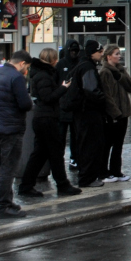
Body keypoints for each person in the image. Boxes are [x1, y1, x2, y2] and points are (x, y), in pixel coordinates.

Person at [20, 49, 82, 198]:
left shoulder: (41, 74)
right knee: (55, 152)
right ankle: (62, 184)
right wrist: (63, 88)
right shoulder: (44, 75)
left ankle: (26, 185)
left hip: (43, 117)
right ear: (53, 59)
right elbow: (48, 97)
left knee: (40, 154)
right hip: (46, 118)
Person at [0, 50, 33, 218]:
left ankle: (5, 200)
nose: (26, 70)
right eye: (26, 67)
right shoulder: (16, 77)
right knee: (8, 167)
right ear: (22, 64)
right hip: (11, 128)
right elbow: (25, 103)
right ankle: (3, 206)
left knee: (0, 165)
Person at [63, 39, 109, 188]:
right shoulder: (87, 67)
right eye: (99, 52)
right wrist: (104, 100)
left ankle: (87, 176)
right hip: (88, 112)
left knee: (86, 144)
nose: (101, 54)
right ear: (91, 53)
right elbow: (91, 90)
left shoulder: (81, 65)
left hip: (82, 112)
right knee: (90, 145)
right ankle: (87, 178)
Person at [98, 44, 131, 183]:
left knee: (119, 144)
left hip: (124, 112)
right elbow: (106, 95)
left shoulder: (120, 70)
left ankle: (116, 170)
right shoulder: (104, 72)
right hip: (113, 114)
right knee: (108, 143)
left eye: (119, 53)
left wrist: (120, 75)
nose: (119, 56)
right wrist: (115, 113)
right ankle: (104, 171)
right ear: (108, 56)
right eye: (116, 54)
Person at [56, 40, 83, 169]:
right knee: (60, 136)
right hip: (62, 106)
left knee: (76, 135)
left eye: (75, 51)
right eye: (72, 51)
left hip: (75, 105)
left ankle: (75, 158)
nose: (74, 53)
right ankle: (59, 160)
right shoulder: (60, 65)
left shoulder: (80, 63)